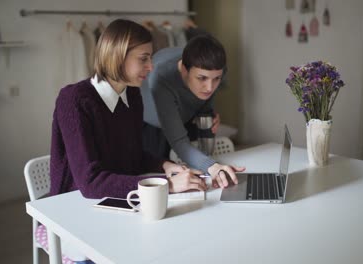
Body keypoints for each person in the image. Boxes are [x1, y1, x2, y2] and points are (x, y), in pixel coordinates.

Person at [50, 19, 207, 199]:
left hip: (118, 198)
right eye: (143, 58)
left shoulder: (132, 95)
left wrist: (165, 166)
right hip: (70, 206)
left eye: (150, 57)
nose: (150, 66)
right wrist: (167, 184)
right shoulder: (73, 100)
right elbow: (90, 183)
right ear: (118, 55)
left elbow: (134, 157)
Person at [141, 35, 245, 189]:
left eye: (216, 79)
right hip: (153, 127)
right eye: (202, 78)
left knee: (197, 178)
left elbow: (206, 98)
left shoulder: (214, 68)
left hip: (187, 120)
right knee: (161, 184)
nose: (210, 87)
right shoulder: (161, 77)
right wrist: (214, 167)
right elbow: (179, 142)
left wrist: (208, 113)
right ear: (184, 69)